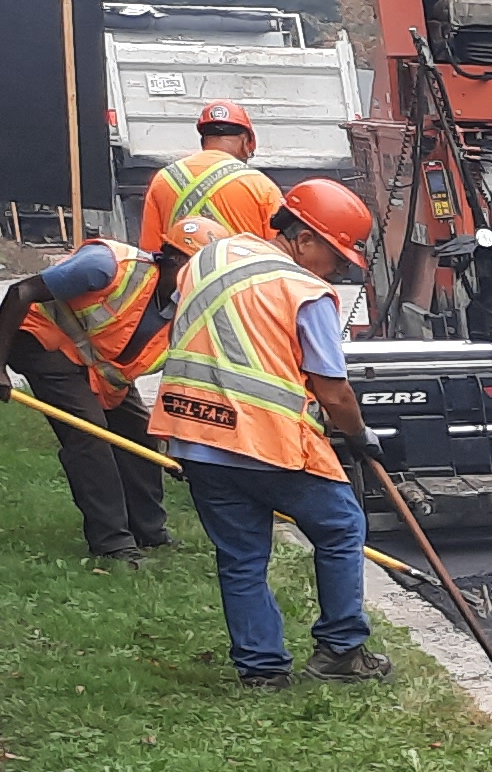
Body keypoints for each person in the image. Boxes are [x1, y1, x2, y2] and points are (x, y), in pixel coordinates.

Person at [151, 178, 392, 690]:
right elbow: (333, 392)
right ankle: (342, 649)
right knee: (341, 528)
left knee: (240, 556)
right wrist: (358, 435)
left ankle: (261, 671)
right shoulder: (305, 291)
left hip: (196, 434)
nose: (338, 270)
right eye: (336, 256)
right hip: (268, 442)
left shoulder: (209, 259)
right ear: (303, 238)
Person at [0, 232, 180, 563]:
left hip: (96, 366)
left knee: (140, 435)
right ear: (174, 262)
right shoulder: (107, 266)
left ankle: (150, 532)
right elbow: (21, 291)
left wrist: (181, 442)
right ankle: (113, 543)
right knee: (88, 434)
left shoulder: (186, 309)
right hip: (42, 340)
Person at [140, 100, 280, 261]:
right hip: (239, 283)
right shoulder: (261, 186)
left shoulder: (163, 179)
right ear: (245, 141)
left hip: (183, 283)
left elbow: (150, 253)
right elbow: (278, 253)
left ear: (203, 139)